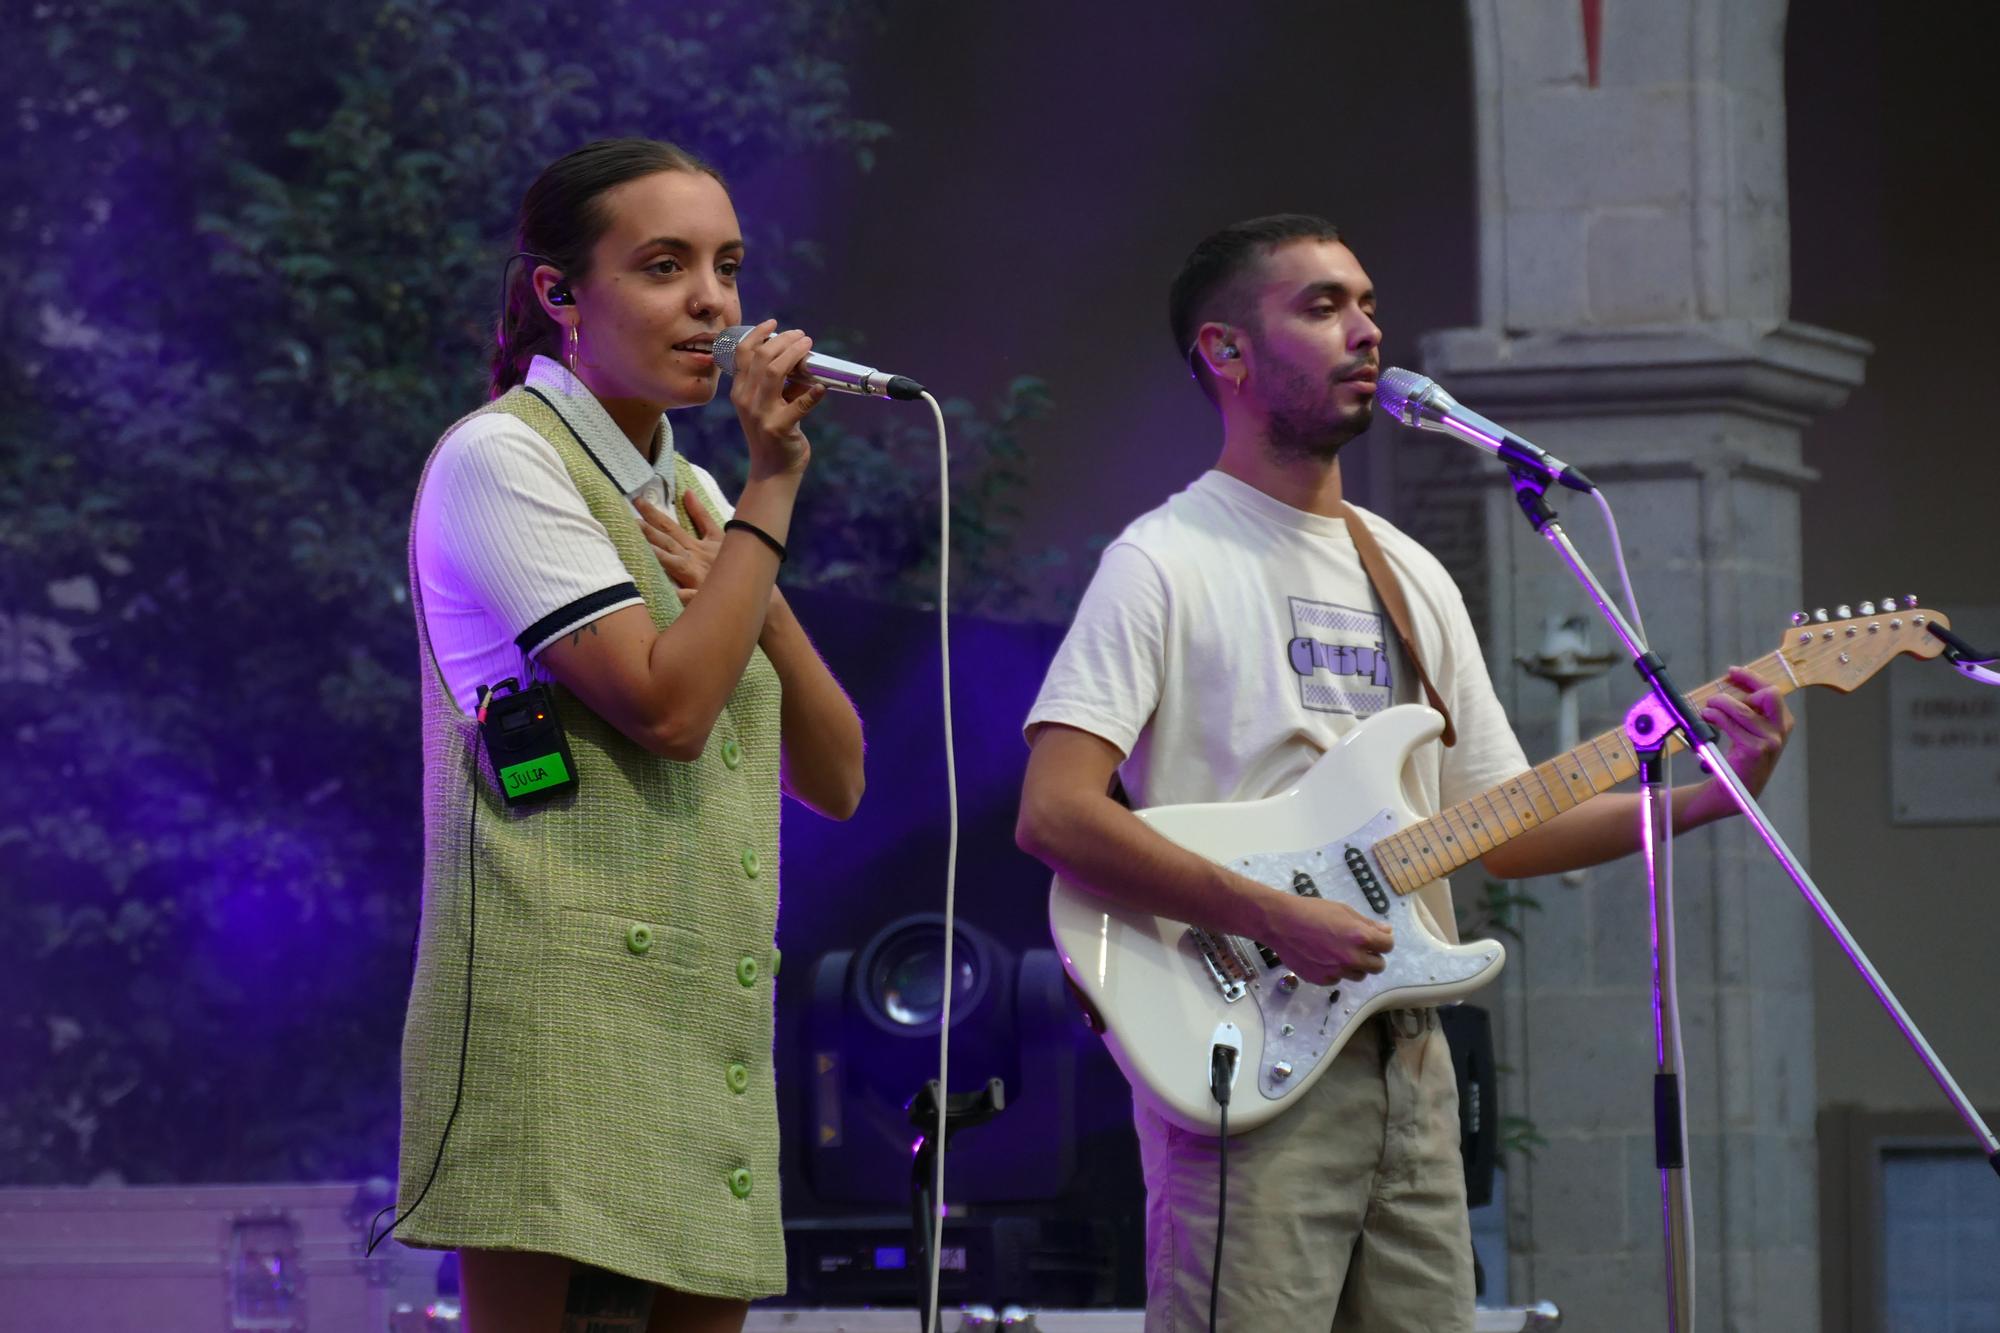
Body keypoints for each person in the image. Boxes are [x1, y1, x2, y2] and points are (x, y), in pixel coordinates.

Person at [1013, 214, 1792, 1331]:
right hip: (1243, 1050)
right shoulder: (1162, 560)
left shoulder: (1409, 571)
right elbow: (1054, 812)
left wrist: (1709, 798)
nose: (1365, 329)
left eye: (1366, 303)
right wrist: (1270, 916)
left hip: (1407, 1061)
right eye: (1321, 306)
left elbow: (1495, 827)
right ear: (1226, 353)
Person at [397, 138, 866, 1333]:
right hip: (558, 1014)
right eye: (664, 266)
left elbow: (838, 772)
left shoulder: (698, 497)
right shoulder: (503, 458)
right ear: (560, 293)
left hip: (699, 1016)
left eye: (727, 266)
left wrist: (745, 559)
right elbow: (664, 708)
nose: (713, 301)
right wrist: (772, 487)